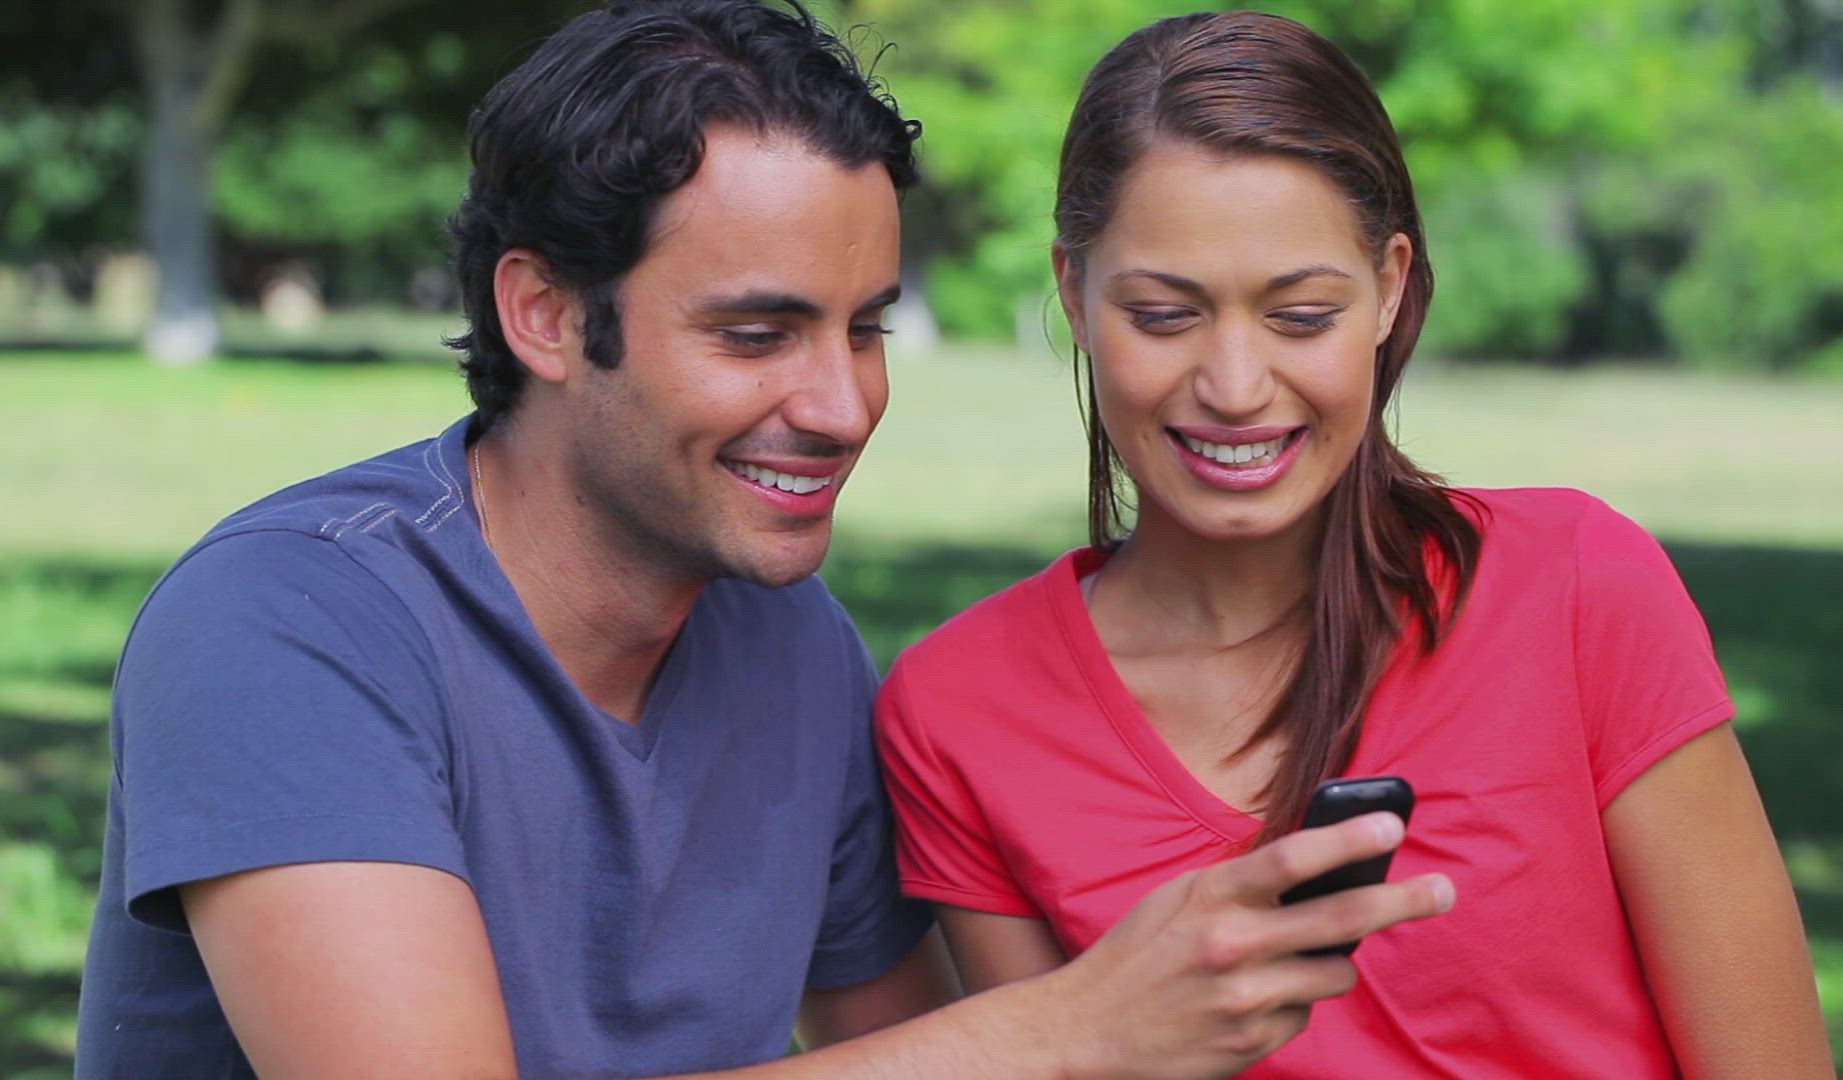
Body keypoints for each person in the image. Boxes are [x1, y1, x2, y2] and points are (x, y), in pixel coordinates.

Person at [73, 2, 1450, 1077]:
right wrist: (1067, 1027)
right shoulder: (288, 625)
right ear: (543, 314)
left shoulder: (792, 648)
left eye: (864, 328)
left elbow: (907, 1052)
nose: (842, 406)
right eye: (756, 333)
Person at [875, 11, 1835, 1079]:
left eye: (1300, 316)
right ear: (1074, 291)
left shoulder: (1577, 587)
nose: (1235, 387)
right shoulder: (958, 710)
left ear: (1388, 287)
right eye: (1163, 315)